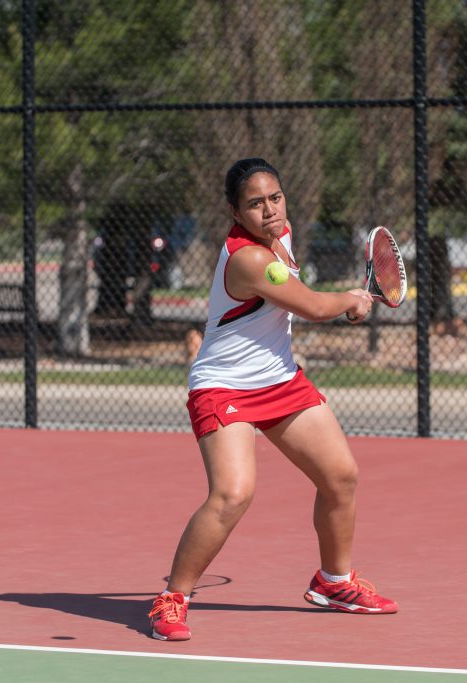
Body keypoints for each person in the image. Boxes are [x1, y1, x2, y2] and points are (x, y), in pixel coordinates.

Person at [148, 158, 398, 641]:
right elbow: (311, 305)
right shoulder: (249, 259)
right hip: (223, 387)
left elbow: (301, 302)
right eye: (255, 204)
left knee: (340, 477)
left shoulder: (282, 234)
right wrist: (346, 300)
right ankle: (171, 599)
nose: (269, 210)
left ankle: (334, 582)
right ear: (234, 211)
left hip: (280, 380)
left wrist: (344, 302)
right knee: (233, 494)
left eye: (275, 198)